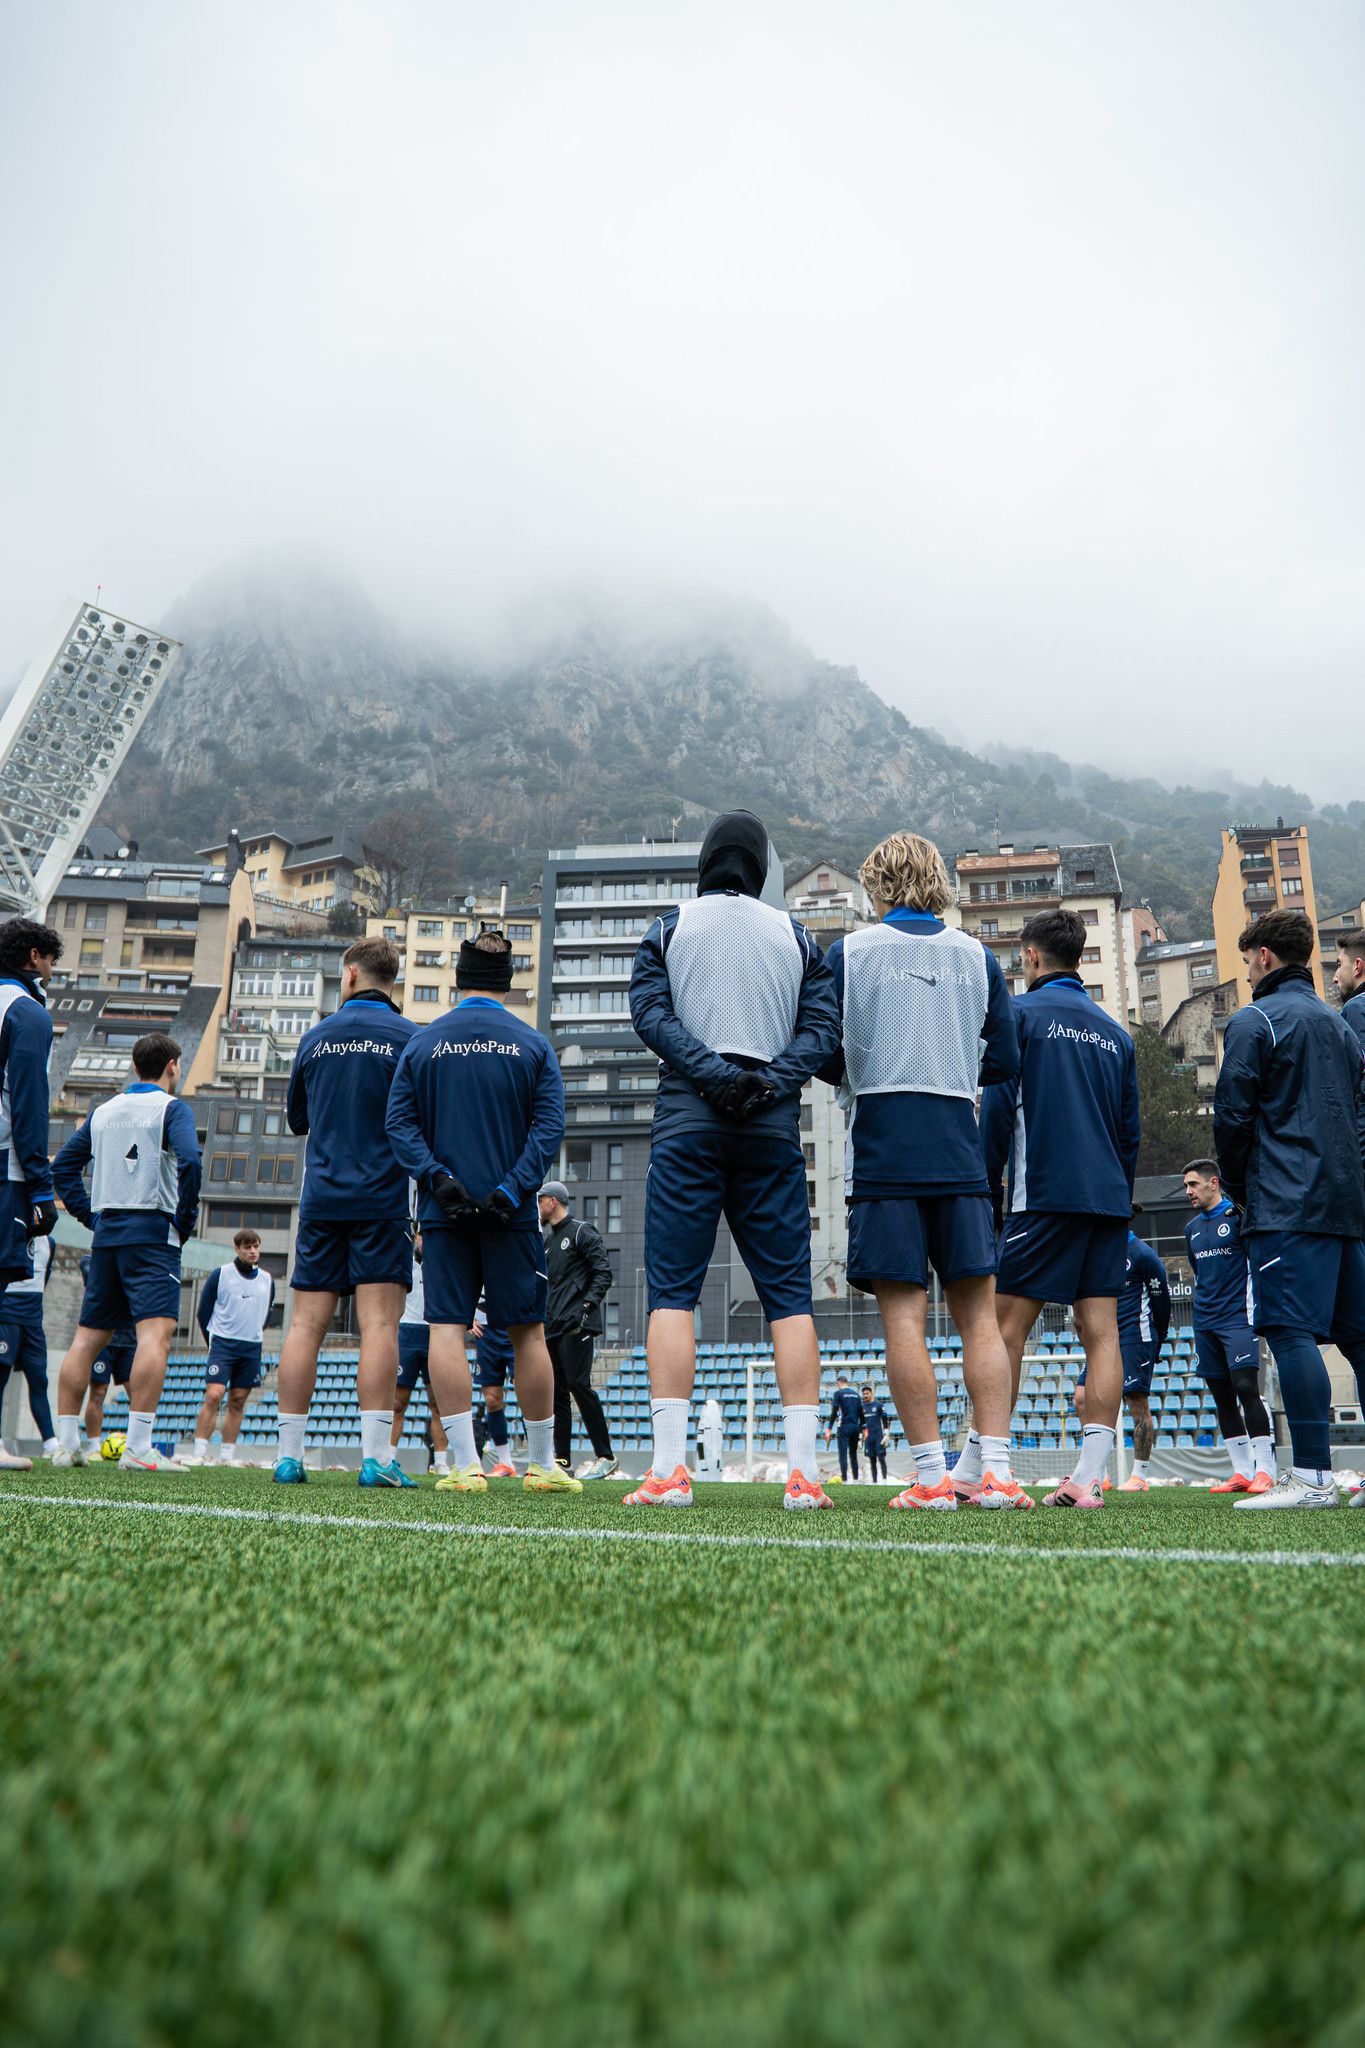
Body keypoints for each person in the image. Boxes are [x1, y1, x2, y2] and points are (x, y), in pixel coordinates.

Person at [624, 809, 842, 1511]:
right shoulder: (798, 936)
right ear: (760, 867)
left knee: (672, 1296)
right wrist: (770, 1082)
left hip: (688, 1126)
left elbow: (650, 1017)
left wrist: (714, 1076)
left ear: (706, 860)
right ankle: (805, 1474)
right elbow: (822, 1031)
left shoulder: (668, 927)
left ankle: (667, 1471)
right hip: (770, 1132)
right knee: (788, 1300)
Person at [819, 830, 1028, 1512]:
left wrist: (860, 1065)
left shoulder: (847, 952)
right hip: (957, 1146)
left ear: (875, 884)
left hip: (883, 1146)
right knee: (978, 1321)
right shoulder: (975, 956)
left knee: (903, 1323)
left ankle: (932, 1478)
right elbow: (1004, 1059)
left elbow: (820, 1051)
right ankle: (994, 1473)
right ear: (940, 880)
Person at [385, 928, 579, 1495]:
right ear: (508, 983)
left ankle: (465, 1467)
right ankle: (543, 1466)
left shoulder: (422, 1044)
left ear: (458, 980)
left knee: (446, 1328)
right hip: (511, 1213)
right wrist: (513, 1189)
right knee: (527, 1333)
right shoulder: (533, 1045)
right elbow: (548, 1130)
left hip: (444, 1216)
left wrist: (439, 1181)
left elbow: (399, 1124)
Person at [978, 909, 1141, 1509]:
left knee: (1002, 1331)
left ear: (1030, 957)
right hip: (1106, 1202)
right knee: (1100, 1333)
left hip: (1040, 1195)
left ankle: (983, 1468)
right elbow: (1130, 1136)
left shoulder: (1017, 1017)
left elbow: (996, 1112)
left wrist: (983, 1187)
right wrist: (1117, 1200)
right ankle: (1088, 1478)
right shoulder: (1115, 1034)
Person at [1214, 909, 1365, 1511]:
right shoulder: (1343, 1026)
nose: (1247, 970)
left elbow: (1231, 1118)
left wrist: (1241, 1186)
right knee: (1359, 1339)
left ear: (1267, 957)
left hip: (1286, 1204)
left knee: (1290, 1333)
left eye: (1249, 958)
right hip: (1347, 1207)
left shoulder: (1255, 1020)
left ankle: (1311, 1477)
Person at [273, 936, 419, 1489]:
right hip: (383, 1200)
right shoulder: (412, 1039)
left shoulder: (315, 1038)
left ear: (350, 976)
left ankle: (289, 1458)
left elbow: (298, 1122)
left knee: (305, 1324)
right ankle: (376, 1459)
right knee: (379, 1325)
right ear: (393, 980)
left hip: (322, 1200)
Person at [51, 1033, 201, 1473]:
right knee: (154, 1337)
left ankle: (64, 1445)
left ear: (136, 1067)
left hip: (108, 1235)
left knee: (86, 1339)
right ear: (172, 1065)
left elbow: (61, 1167)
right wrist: (184, 1219)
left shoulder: (103, 1112)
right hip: (153, 1234)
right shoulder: (172, 1109)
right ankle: (137, 1447)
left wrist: (90, 1217)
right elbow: (191, 1160)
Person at [1182, 1160, 1276, 1494]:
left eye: (1194, 1184)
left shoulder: (1237, 1217)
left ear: (1213, 1182)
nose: (1189, 1192)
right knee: (1221, 1397)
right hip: (1204, 1322)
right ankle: (1241, 1472)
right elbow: (1199, 1272)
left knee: (1247, 1389)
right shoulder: (1191, 1229)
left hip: (1238, 1318)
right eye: (1186, 1187)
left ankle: (1265, 1470)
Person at [1075, 1219, 1170, 1492]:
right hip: (1103, 1338)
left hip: (1134, 1336)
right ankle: (1097, 1472)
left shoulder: (1142, 1254)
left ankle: (1139, 1475)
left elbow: (1161, 1301)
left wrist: (1157, 1341)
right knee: (1083, 1399)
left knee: (1135, 1401)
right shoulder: (1097, 1253)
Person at [538, 1179, 617, 1479]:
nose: (538, 1206)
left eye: (541, 1200)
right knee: (557, 1392)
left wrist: (586, 1308)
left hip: (577, 1324)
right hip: (553, 1326)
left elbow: (603, 1273)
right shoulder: (547, 1243)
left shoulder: (582, 1231)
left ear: (553, 1202)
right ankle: (561, 1461)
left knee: (578, 1384)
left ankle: (605, 1456)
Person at [0, 917, 61, 1294]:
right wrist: (41, 1188)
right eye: (51, 962)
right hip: (5, 1168)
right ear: (33, 956)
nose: (51, 973)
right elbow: (29, 1103)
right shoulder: (27, 1013)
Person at [188, 1229, 275, 1466]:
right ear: (237, 1249)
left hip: (251, 1347)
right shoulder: (221, 1274)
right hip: (223, 1345)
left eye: (256, 1246)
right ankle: (199, 1451)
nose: (252, 1251)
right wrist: (213, 1341)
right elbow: (203, 1311)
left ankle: (227, 1454)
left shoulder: (267, 1279)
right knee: (213, 1395)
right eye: (247, 1247)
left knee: (237, 1400)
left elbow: (267, 1314)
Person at [388, 1229, 451, 1478]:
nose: (426, 1240)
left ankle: (441, 1462)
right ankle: (389, 1458)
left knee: (437, 1404)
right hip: (407, 1335)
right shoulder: (405, 1265)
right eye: (422, 1235)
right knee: (397, 1403)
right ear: (416, 1237)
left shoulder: (443, 1264)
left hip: (435, 1333)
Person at [0, 1231, 57, 1469]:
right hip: (7, 1312)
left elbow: (45, 1277)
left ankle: (52, 1444)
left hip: (33, 1320)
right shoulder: (9, 1229)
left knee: (39, 1380)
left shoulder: (49, 1243)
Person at [471, 1304, 519, 1477]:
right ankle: (505, 1463)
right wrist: (468, 1317)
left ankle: (541, 1462)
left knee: (526, 1394)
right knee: (492, 1400)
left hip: (516, 1328)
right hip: (486, 1333)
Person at [1333, 933, 1365, 1171]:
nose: (1335, 977)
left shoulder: (1356, 1008)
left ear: (1357, 966)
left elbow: (1358, 1085)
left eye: (1339, 965)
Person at [825, 1373, 864, 1482]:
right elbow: (861, 1414)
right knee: (853, 1454)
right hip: (855, 1427)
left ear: (839, 1383)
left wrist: (829, 1428)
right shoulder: (856, 1394)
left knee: (843, 1454)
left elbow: (834, 1412)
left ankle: (845, 1480)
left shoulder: (838, 1393)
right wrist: (863, 1429)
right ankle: (856, 1480)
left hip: (844, 1426)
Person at [860, 1384, 892, 1483]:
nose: (865, 1395)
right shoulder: (861, 1407)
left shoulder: (878, 1405)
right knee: (872, 1460)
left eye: (867, 1393)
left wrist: (886, 1434)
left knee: (881, 1459)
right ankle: (874, 1482)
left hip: (878, 1436)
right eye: (864, 1394)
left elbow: (885, 1419)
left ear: (871, 1394)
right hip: (868, 1438)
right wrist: (860, 1437)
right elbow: (861, 1423)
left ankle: (884, 1480)